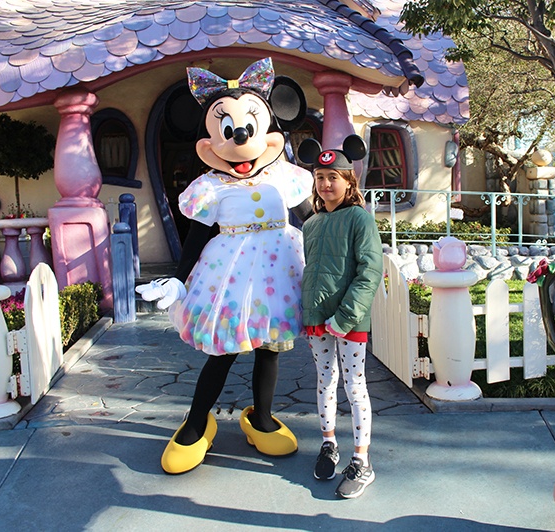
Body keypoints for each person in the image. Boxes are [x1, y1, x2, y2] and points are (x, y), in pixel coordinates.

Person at [136, 58, 314, 474]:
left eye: (250, 127)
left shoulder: (287, 177)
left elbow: (312, 220)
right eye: (226, 129)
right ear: (208, 140)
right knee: (224, 351)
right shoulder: (209, 188)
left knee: (269, 350)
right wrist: (178, 279)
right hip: (230, 278)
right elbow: (196, 236)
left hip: (279, 275)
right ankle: (197, 422)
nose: (240, 138)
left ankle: (262, 418)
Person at [297, 135, 383, 499]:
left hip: (348, 322)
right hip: (317, 320)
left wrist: (344, 318)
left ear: (350, 181)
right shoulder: (311, 224)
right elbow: (311, 271)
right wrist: (308, 313)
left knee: (354, 386)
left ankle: (362, 461)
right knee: (325, 381)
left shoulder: (360, 220)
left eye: (333, 176)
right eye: (320, 177)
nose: (325, 183)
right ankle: (328, 443)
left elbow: (370, 271)